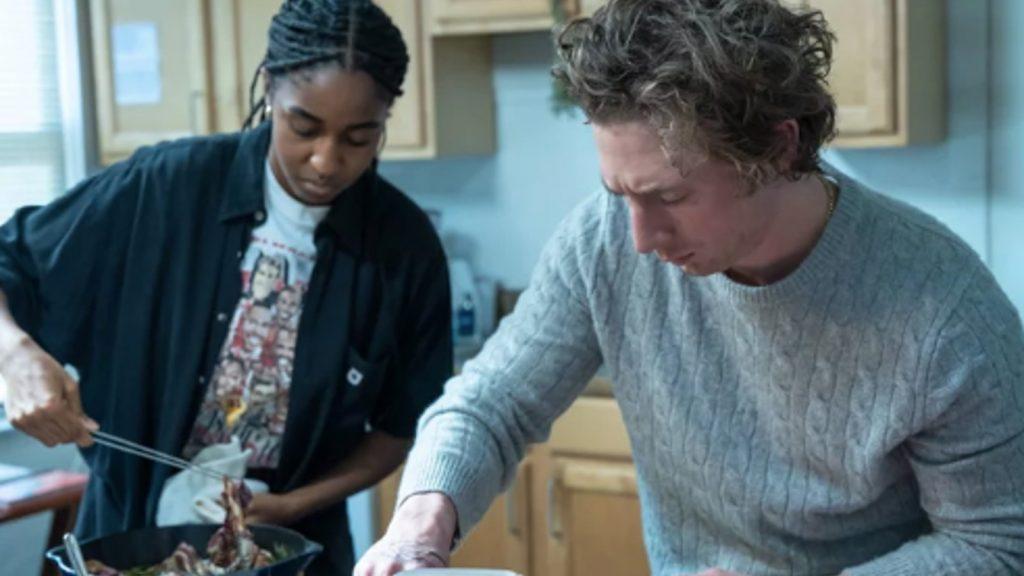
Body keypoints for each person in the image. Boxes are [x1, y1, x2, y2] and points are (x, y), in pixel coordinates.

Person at [356, 1, 1024, 575]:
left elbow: (996, 546)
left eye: (670, 194)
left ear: (777, 149)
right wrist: (422, 518)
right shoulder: (605, 241)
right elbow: (491, 403)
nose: (640, 238)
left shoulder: (946, 313)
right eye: (619, 193)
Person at [0, 1, 452, 574]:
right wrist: (13, 354)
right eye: (303, 127)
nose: (324, 161)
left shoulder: (403, 248)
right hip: (127, 542)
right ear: (268, 89)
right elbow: (8, 260)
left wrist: (291, 506)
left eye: (359, 138)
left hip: (296, 552)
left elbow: (401, 426)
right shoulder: (163, 189)